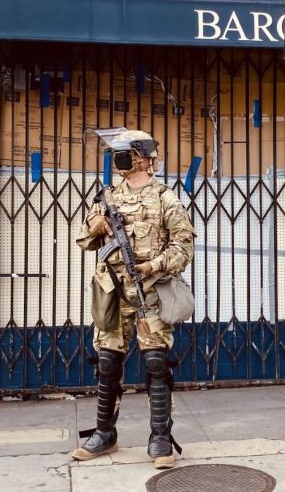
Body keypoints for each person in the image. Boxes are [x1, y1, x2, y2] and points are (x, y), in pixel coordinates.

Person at [72, 130, 195, 469]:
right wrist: (96, 225)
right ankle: (104, 433)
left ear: (141, 156)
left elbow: (184, 247)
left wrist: (153, 264)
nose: (118, 159)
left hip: (151, 292)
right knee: (108, 363)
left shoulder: (165, 198)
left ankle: (160, 438)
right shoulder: (107, 198)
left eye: (124, 153)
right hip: (112, 293)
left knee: (156, 363)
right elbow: (83, 240)